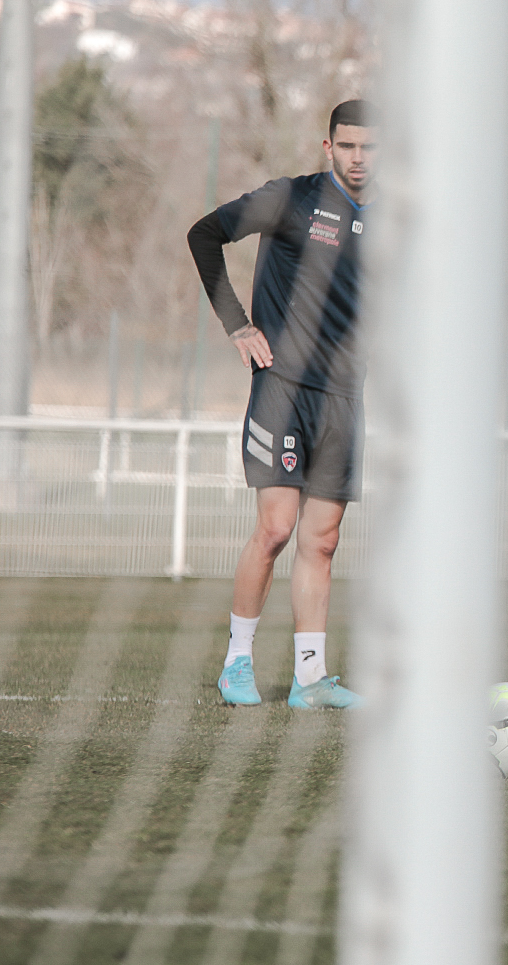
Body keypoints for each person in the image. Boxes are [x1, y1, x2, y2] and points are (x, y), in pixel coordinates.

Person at [186, 98, 379, 709]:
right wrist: (237, 325)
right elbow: (204, 234)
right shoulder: (290, 198)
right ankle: (237, 663)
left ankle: (310, 679)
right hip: (282, 388)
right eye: (347, 145)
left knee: (321, 542)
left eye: (369, 146)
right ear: (329, 148)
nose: (358, 157)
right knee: (276, 528)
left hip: (345, 398)